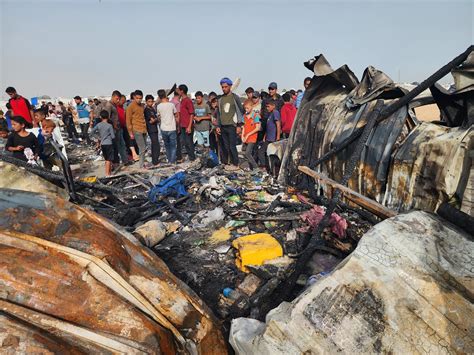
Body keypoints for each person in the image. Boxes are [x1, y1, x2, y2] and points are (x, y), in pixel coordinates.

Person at [216, 77, 244, 169]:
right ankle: (228, 163)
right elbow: (219, 113)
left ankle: (235, 164)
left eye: (225, 87)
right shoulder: (220, 99)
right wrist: (218, 126)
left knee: (232, 146)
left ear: (230, 86)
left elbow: (240, 111)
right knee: (225, 146)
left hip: (232, 125)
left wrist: (239, 125)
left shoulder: (234, 97)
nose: (224, 88)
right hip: (223, 126)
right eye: (222, 87)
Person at [104, 90, 128, 165]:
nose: (118, 100)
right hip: (113, 129)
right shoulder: (109, 105)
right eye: (117, 99)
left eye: (118, 99)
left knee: (122, 144)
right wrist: (113, 124)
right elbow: (106, 118)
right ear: (113, 97)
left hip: (118, 128)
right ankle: (116, 162)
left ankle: (125, 160)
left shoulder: (114, 105)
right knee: (115, 146)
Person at [126, 90, 147, 168]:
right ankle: (141, 165)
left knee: (144, 148)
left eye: (140, 98)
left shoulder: (142, 106)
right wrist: (130, 133)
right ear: (134, 97)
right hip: (136, 129)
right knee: (142, 148)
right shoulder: (130, 107)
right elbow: (128, 121)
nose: (139, 100)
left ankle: (143, 163)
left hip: (144, 129)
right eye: (137, 98)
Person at [90, 110, 115, 176]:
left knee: (106, 159)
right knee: (108, 160)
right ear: (108, 116)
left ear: (100, 117)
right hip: (109, 143)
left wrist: (99, 138)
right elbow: (113, 136)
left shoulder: (98, 125)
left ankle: (109, 173)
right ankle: (107, 174)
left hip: (103, 144)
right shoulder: (109, 126)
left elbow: (91, 133)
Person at [156, 89, 178, 163]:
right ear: (165, 95)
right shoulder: (171, 105)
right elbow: (176, 115)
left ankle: (169, 161)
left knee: (167, 146)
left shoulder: (158, 106)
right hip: (172, 128)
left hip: (163, 128)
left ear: (159, 96)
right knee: (173, 146)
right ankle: (172, 161)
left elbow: (158, 118)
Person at [258, 100, 281, 170]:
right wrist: (265, 136)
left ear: (273, 106)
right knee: (264, 152)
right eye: (266, 106)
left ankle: (265, 166)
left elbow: (278, 125)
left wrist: (278, 137)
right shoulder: (270, 114)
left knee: (262, 152)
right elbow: (268, 127)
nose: (267, 108)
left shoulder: (275, 113)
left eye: (268, 106)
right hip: (268, 138)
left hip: (272, 138)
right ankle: (266, 166)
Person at [176, 84, 195, 162]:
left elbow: (191, 114)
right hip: (183, 125)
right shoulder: (182, 100)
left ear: (182, 91)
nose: (177, 92)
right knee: (184, 142)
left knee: (189, 143)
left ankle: (192, 158)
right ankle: (189, 158)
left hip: (187, 125)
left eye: (178, 90)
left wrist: (189, 126)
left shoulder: (188, 101)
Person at [241, 99, 261, 171]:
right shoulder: (244, 116)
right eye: (245, 108)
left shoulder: (255, 116)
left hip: (252, 137)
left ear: (252, 107)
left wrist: (248, 135)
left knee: (247, 153)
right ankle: (251, 168)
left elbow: (257, 128)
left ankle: (256, 167)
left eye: (247, 108)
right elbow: (243, 127)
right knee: (248, 153)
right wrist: (243, 135)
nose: (246, 110)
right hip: (246, 137)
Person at [118, 94, 139, 161]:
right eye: (122, 101)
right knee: (125, 143)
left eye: (124, 101)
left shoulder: (124, 107)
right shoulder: (116, 108)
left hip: (126, 126)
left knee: (129, 141)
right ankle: (130, 155)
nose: (123, 102)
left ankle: (133, 155)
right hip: (120, 128)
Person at [144, 94, 160, 166]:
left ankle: (155, 160)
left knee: (156, 144)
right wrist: (157, 119)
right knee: (155, 144)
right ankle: (155, 161)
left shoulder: (152, 109)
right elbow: (152, 121)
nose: (150, 103)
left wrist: (156, 119)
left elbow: (155, 119)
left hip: (155, 128)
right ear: (146, 102)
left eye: (151, 101)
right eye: (149, 101)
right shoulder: (147, 110)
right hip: (151, 129)